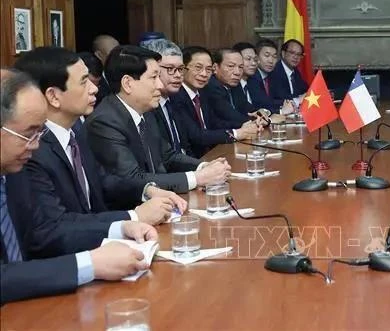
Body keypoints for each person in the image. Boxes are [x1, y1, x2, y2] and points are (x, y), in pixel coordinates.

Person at [0, 69, 159, 304]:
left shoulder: (12, 170)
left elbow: (44, 232)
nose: (35, 146)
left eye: (39, 132)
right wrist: (90, 265)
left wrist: (121, 228)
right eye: (28, 134)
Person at [15, 47, 186, 223]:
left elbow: (103, 181)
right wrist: (134, 217)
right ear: (53, 96)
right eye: (83, 82)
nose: (94, 89)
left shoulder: (76, 131)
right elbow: (55, 226)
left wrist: (147, 190)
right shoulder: (32, 151)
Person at [85, 45, 231, 193]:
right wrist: (197, 178)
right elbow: (132, 178)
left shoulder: (145, 110)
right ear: (128, 84)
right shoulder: (105, 122)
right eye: (154, 77)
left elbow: (167, 156)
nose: (160, 85)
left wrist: (203, 167)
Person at [171, 46, 247, 158]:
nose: (204, 74)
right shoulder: (176, 96)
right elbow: (196, 135)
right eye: (198, 68)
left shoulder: (203, 92)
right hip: (193, 159)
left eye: (208, 69)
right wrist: (236, 133)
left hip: (211, 154)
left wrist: (244, 126)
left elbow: (214, 123)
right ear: (183, 69)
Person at [141, 39, 194, 157]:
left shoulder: (177, 99)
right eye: (170, 68)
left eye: (180, 69)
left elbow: (186, 145)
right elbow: (163, 157)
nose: (178, 75)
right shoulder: (146, 107)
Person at [205, 47, 266, 131]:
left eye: (240, 67)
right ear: (215, 68)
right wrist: (257, 121)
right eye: (231, 66)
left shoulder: (235, 85)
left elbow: (249, 109)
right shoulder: (211, 86)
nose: (237, 72)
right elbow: (231, 116)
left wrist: (262, 116)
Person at [246, 38, 295, 115]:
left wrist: (288, 102)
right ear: (257, 58)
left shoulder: (272, 75)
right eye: (267, 55)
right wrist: (281, 111)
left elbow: (279, 97)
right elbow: (261, 104)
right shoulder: (252, 76)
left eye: (274, 57)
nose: (271, 61)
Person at [92, 34, 120, 105]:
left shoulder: (127, 75)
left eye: (120, 52)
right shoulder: (94, 81)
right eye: (112, 54)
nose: (118, 57)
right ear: (99, 55)